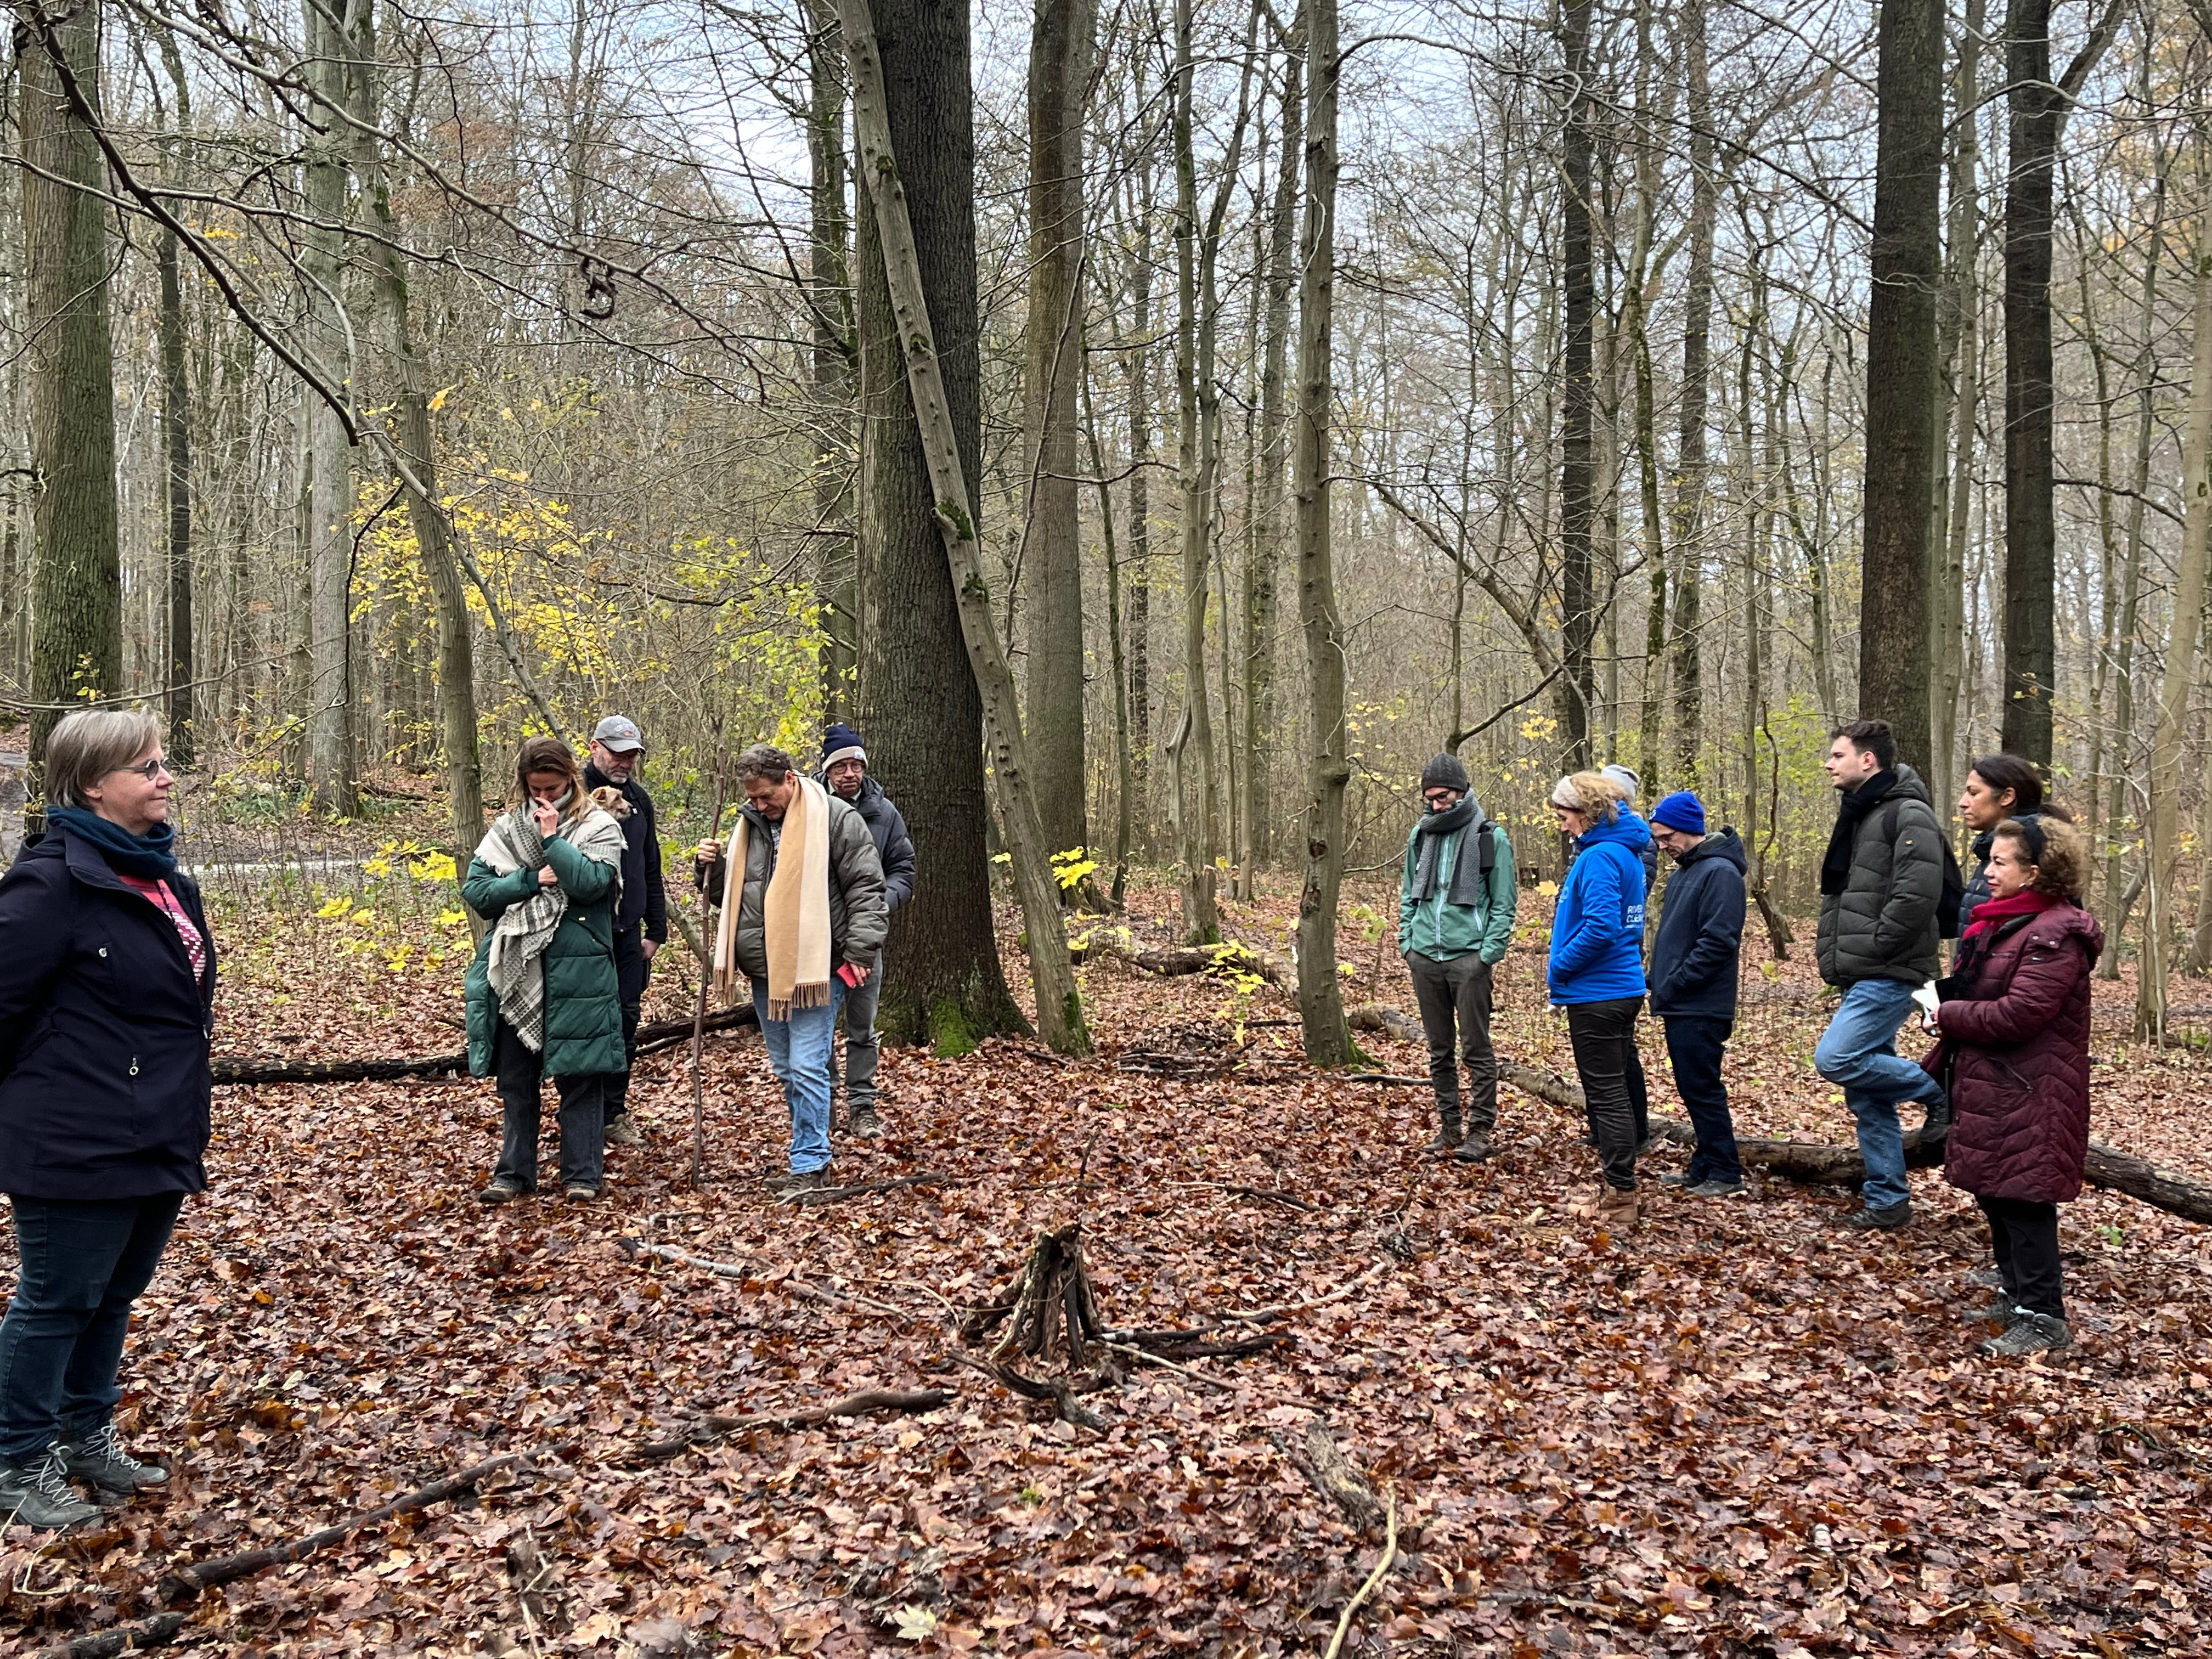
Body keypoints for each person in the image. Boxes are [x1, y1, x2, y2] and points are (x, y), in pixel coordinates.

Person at [0, 709, 213, 1529]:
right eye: (147, 767)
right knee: (58, 1296)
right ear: (93, 784)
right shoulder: (51, 882)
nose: (166, 778)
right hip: (74, 1134)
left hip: (157, 1124)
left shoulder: (163, 877)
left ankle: (83, 1432)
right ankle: (17, 1460)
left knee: (116, 1291)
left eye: (164, 763)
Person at [1923, 816, 2101, 1355]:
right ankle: (2017, 1294)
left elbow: (2021, 1013)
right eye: (1990, 860)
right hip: (1996, 1086)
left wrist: (1950, 1012)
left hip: (2033, 1091)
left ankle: (2044, 1317)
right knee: (1996, 1193)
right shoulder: (2004, 926)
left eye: (2001, 862)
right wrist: (1946, 1005)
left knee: (2024, 1200)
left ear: (2037, 870)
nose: (1990, 871)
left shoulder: (2055, 933)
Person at [696, 744, 887, 1192]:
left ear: (789, 779)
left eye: (766, 795)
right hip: (767, 968)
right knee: (786, 1067)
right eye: (753, 798)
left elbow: (866, 888)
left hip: (820, 964)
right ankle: (808, 1146)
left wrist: (861, 951)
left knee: (806, 1064)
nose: (760, 805)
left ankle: (810, 1163)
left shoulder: (837, 819)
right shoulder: (750, 826)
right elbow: (736, 899)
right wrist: (711, 868)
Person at [464, 738, 629, 1205]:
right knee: (516, 1079)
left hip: (581, 969)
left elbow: (592, 885)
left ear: (571, 781)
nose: (544, 798)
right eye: (535, 789)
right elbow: (477, 892)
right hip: (517, 966)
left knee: (581, 1076)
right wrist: (530, 880)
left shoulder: (598, 824)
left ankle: (582, 1175)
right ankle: (514, 1174)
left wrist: (554, 841)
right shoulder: (506, 828)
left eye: (553, 788)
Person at [1812, 718, 1950, 1231]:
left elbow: (1917, 895)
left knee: (1837, 1057)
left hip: (1890, 968)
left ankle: (1938, 1091)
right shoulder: (1863, 813)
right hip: (1863, 968)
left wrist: (1875, 946)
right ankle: (1888, 1199)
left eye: (1838, 755)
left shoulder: (1906, 813)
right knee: (1869, 1096)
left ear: (1867, 760)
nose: (1829, 763)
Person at [1397, 753, 1518, 1162]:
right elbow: (1408, 893)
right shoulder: (1422, 835)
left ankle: (1481, 1130)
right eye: (1430, 798)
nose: (1436, 804)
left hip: (1469, 960)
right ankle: (1449, 1127)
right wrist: (1407, 943)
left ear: (1462, 791)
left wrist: (1488, 954)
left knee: (1477, 1049)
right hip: (1426, 958)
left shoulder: (1490, 836)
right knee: (1438, 1049)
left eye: (1443, 796)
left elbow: (1503, 903)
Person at [1547, 771, 1652, 1225]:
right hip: (1617, 988)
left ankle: (1620, 1196)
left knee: (1606, 1095)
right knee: (1614, 1091)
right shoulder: (1622, 853)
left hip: (1599, 993)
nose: (1563, 825)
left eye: (1565, 815)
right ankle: (1618, 1187)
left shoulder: (1602, 857)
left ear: (1588, 813)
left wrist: (1560, 966)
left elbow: (1603, 926)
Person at [1646, 791, 1747, 1198]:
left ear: (1689, 830)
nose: (1662, 846)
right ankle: (1704, 1164)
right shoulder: (1688, 870)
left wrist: (1678, 980)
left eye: (1666, 836)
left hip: (1701, 1002)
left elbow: (1718, 941)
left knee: (1702, 1088)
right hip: (1681, 1000)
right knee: (1691, 1086)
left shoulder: (1719, 872)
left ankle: (1725, 1170)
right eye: (1657, 838)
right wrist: (1659, 978)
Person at [817, 722, 915, 1139]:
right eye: (841, 766)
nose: (849, 774)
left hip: (866, 942)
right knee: (816, 1028)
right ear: (827, 772)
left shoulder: (883, 811)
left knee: (863, 1027)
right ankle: (823, 1106)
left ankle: (863, 1108)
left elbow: (904, 872)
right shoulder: (809, 808)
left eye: (856, 765)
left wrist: (879, 906)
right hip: (817, 940)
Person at [583, 715, 668, 1148]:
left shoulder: (638, 801)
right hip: (582, 932)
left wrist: (656, 929)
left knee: (626, 1020)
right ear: (594, 747)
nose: (625, 761)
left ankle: (614, 1112)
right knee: (583, 1021)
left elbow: (649, 866)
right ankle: (580, 1113)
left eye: (632, 754)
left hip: (628, 931)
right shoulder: (574, 795)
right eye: (618, 752)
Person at [1956, 754, 2062, 935]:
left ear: (2007, 797)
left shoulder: (2036, 853)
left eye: (1974, 793)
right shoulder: (1988, 853)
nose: (1963, 803)